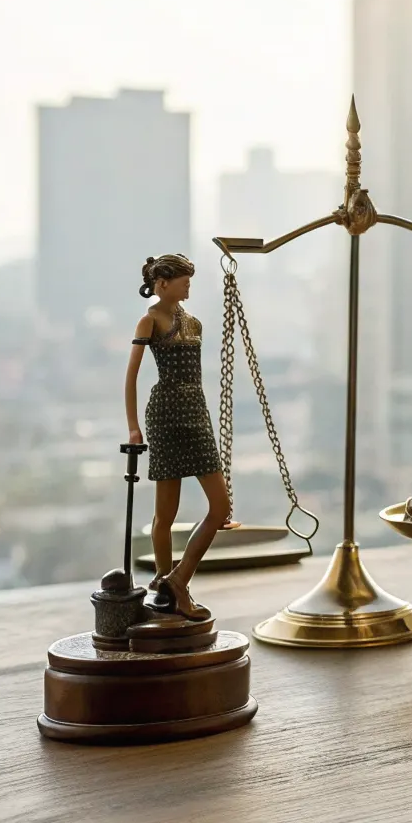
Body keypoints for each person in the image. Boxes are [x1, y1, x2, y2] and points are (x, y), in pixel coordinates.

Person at [124, 253, 236, 621]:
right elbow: (132, 376)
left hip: (196, 414)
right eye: (183, 279)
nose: (189, 284)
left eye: (190, 278)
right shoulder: (149, 319)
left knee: (220, 508)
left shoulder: (196, 323)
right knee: (164, 514)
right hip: (167, 416)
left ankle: (179, 577)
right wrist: (134, 426)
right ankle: (166, 583)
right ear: (162, 283)